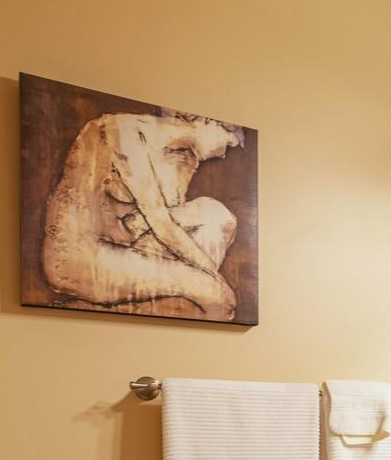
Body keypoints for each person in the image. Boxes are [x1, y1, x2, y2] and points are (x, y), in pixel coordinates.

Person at [42, 110, 244, 319]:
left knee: (216, 217)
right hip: (82, 256)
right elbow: (162, 225)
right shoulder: (123, 131)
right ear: (208, 121)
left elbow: (146, 226)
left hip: (125, 246)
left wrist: (204, 274)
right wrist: (213, 277)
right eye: (228, 143)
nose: (223, 153)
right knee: (220, 301)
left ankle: (101, 311)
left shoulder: (185, 158)